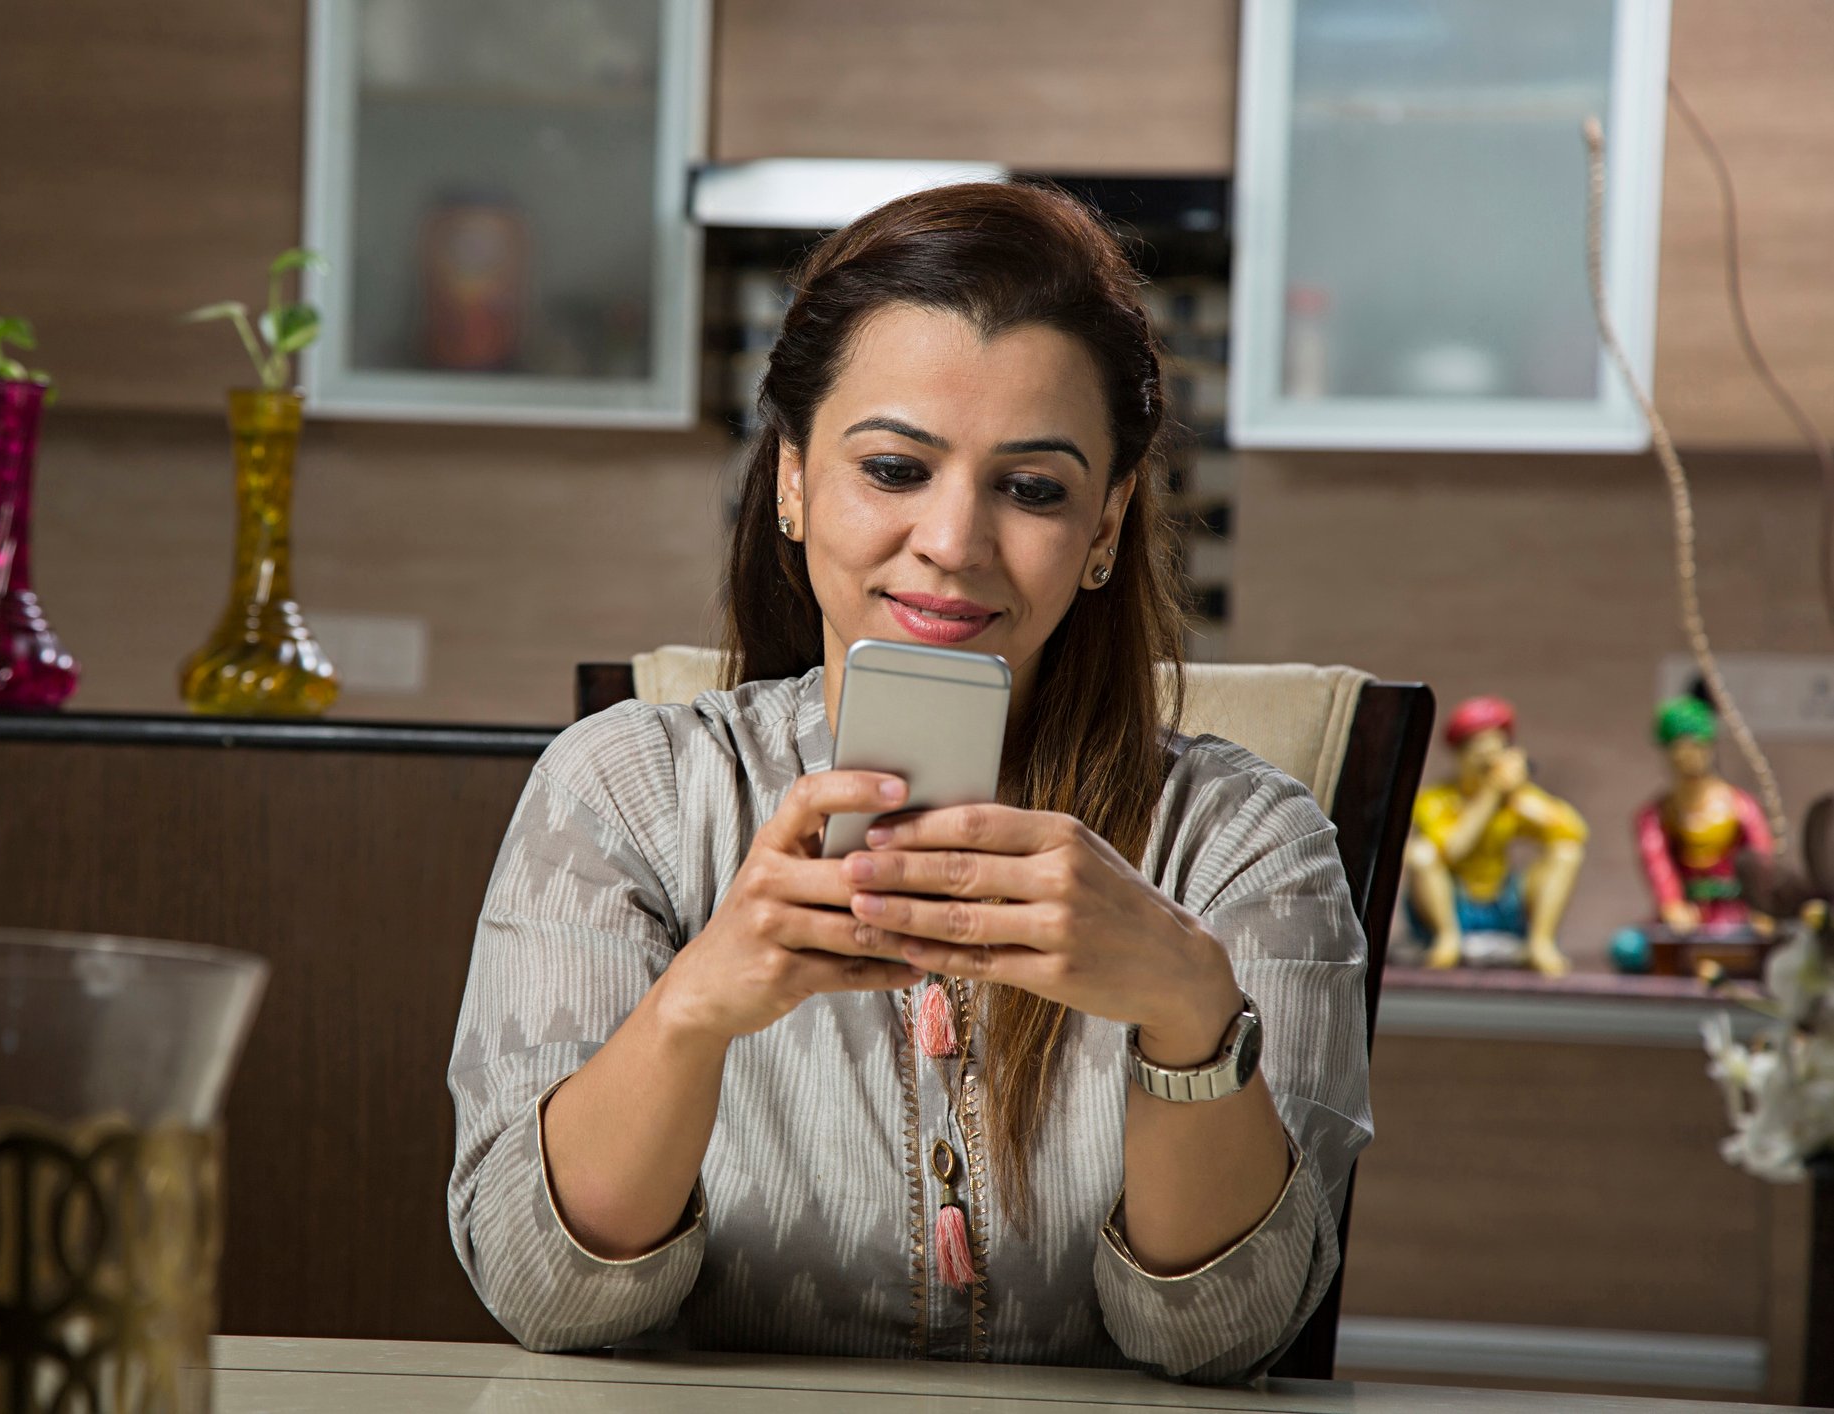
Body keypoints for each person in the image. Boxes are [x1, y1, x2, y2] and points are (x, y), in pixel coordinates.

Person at [447, 181, 1370, 1382]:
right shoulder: (622, 793)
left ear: (1106, 524)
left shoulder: (1249, 841)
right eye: (894, 467)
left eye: (1033, 487)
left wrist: (1191, 1013)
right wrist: (693, 1007)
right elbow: (543, 1294)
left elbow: (1226, 1337)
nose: (952, 538)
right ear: (790, 478)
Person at [1404, 696, 1587, 977]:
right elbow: (1453, 850)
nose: (1487, 763)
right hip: (1457, 901)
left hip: (1502, 900)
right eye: (1478, 753)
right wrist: (1489, 794)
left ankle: (1541, 942)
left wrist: (1522, 795)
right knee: (1421, 854)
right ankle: (1447, 939)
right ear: (1460, 755)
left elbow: (1574, 832)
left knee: (1566, 852)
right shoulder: (1435, 800)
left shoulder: (1513, 799)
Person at [1633, 695, 1773, 937]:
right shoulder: (1656, 816)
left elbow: (1760, 857)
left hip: (1737, 915)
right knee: (1630, 948)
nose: (1687, 756)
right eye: (1678, 748)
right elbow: (1658, 867)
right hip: (1685, 919)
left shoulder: (1741, 806)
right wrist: (1672, 905)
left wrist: (1761, 906)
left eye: (1695, 746)